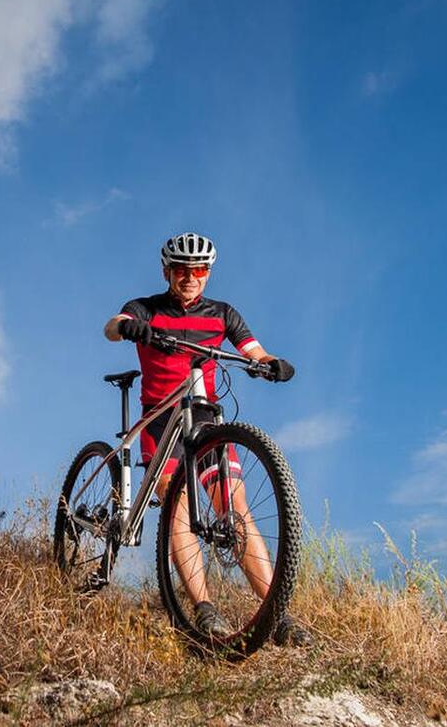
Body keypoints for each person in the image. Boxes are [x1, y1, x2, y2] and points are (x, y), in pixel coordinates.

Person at [103, 231, 312, 647]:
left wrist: (271, 366)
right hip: (161, 422)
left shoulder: (223, 314)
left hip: (207, 423)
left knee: (236, 510)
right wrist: (132, 329)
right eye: (182, 269)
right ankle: (203, 608)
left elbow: (254, 350)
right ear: (167, 271)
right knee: (176, 509)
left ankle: (276, 613)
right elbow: (114, 326)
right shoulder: (146, 308)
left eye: (199, 270)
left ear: (208, 273)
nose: (190, 277)